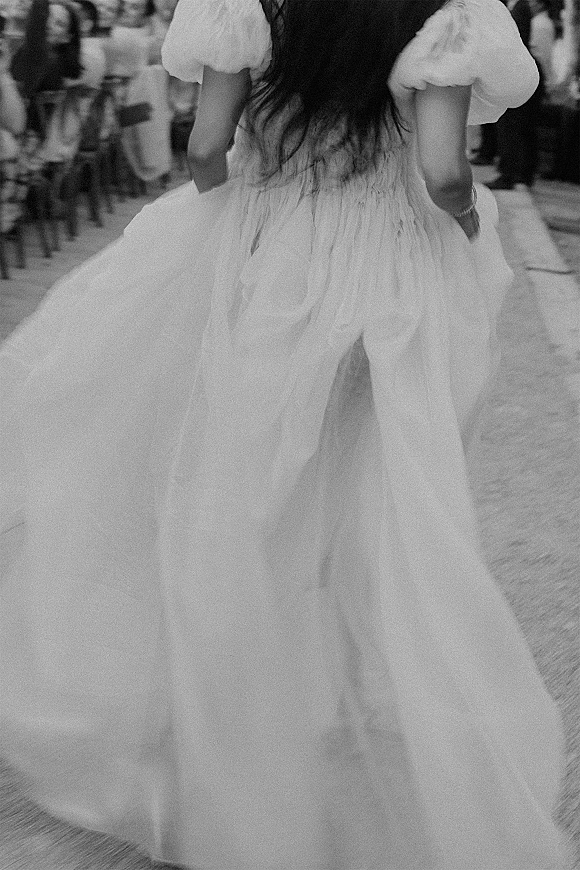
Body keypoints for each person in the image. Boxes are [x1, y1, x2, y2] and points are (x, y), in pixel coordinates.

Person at [0, 1, 568, 868]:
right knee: (370, 495)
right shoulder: (449, 18)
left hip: (269, 255)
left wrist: (246, 225)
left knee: (240, 493)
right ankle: (334, 699)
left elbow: (202, 150)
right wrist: (459, 231)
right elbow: (445, 172)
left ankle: (223, 722)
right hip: (389, 271)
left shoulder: (246, 6)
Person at [486, 0, 544, 189]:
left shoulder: (519, 7)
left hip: (516, 71)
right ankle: (523, 174)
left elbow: (514, 42)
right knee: (522, 127)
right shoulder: (518, 6)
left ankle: (510, 174)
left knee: (512, 125)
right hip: (521, 70)